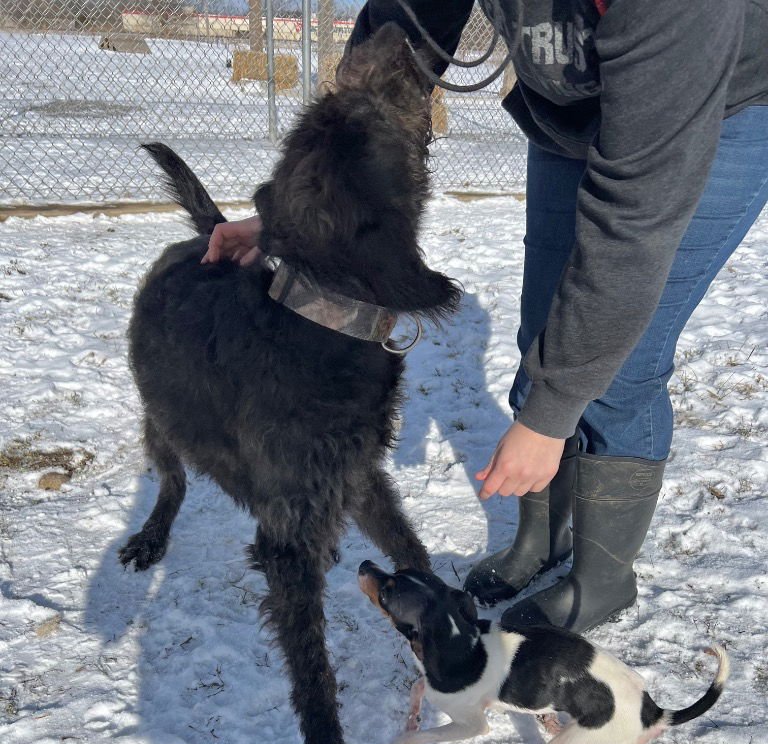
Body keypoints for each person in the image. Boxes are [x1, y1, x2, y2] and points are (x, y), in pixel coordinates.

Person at [203, 0, 768, 632]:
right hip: (570, 115)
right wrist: (288, 220)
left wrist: (550, 414)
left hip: (714, 112)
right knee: (544, 335)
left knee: (619, 367)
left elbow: (634, 222)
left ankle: (603, 577)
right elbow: (370, 103)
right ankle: (543, 541)